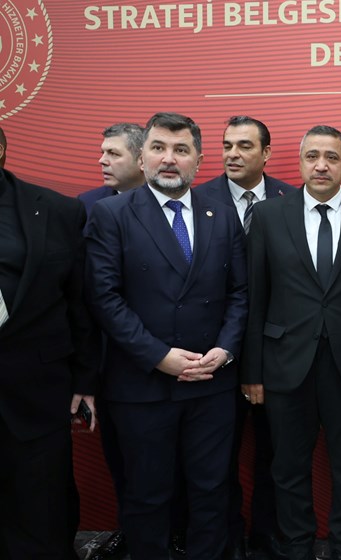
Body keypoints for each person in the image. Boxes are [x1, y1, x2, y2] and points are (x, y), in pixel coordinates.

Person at [84, 112, 248, 560]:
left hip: (211, 384)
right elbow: (104, 298)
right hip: (142, 385)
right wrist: (159, 356)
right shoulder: (111, 214)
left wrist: (225, 349)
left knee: (212, 492)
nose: (169, 159)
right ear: (143, 157)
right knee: (147, 496)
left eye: (181, 150)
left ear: (199, 159)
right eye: (158, 148)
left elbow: (240, 292)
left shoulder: (222, 215)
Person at [241, 125, 341, 560]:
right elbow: (256, 298)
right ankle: (297, 547)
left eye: (331, 157)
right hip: (284, 364)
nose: (321, 165)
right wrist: (252, 371)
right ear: (300, 161)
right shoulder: (268, 216)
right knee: (287, 467)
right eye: (312, 156)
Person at [194, 115, 294, 560]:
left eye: (244, 146)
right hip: (214, 350)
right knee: (216, 457)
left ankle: (268, 535)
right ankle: (227, 536)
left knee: (276, 452)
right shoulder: (197, 200)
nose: (232, 154)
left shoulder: (293, 200)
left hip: (278, 350)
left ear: (266, 153)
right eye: (227, 145)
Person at [0, 126, 98, 559]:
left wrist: (86, 378)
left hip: (37, 392)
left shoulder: (58, 210)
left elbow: (80, 303)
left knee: (42, 515)